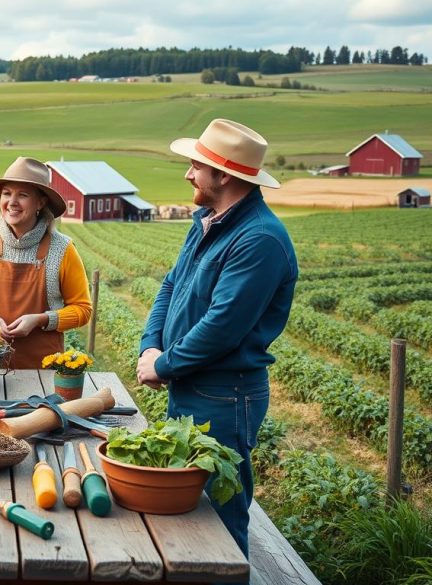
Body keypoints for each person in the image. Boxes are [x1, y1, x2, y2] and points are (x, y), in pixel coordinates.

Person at [136, 119, 298, 560]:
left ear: (223, 175)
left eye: (195, 165)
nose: (188, 173)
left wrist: (165, 364)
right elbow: (171, 286)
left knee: (221, 516)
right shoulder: (208, 221)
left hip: (226, 397)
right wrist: (151, 346)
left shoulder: (259, 239)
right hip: (191, 385)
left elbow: (223, 325)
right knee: (186, 506)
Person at [0, 156, 92, 368]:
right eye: (7, 193)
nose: (12, 202)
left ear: (40, 203)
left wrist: (40, 319)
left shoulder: (62, 249)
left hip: (42, 369)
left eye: (22, 195)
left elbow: (82, 309)